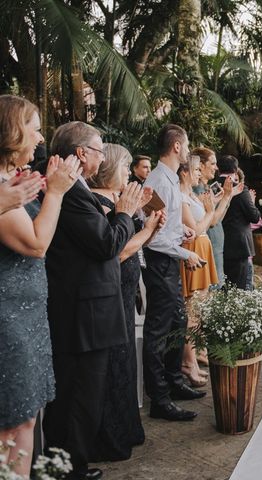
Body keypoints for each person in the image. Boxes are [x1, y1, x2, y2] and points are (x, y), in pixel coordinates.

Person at [43, 121, 143, 480]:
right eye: (99, 149)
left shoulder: (76, 189)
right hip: (82, 312)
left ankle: (69, 465)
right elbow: (106, 244)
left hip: (89, 308)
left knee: (82, 394)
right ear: (82, 153)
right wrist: (125, 214)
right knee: (78, 397)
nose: (103, 156)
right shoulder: (70, 193)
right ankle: (67, 470)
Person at [0, 95, 80, 476]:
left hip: (27, 316)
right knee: (14, 423)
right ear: (14, 131)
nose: (39, 136)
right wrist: (57, 193)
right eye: (33, 127)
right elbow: (36, 244)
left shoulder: (8, 182)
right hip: (8, 319)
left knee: (27, 418)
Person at [87, 144, 165, 461]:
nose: (128, 173)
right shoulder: (101, 205)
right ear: (110, 169)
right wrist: (144, 229)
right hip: (112, 290)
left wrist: (149, 230)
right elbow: (117, 253)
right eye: (125, 166)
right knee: (115, 364)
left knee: (125, 363)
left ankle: (127, 428)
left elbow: (133, 242)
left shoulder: (117, 203)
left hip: (126, 289)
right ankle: (111, 437)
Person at [141, 124, 207, 422]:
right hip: (161, 264)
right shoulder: (160, 181)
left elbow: (165, 227)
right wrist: (187, 252)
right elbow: (154, 238)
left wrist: (184, 228)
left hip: (169, 261)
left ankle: (175, 381)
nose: (188, 148)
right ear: (177, 146)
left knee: (178, 322)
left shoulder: (166, 179)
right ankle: (160, 398)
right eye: (187, 143)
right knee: (159, 332)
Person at [178, 155, 233, 386]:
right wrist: (210, 211)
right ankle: (187, 362)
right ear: (184, 173)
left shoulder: (191, 195)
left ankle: (198, 352)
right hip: (192, 250)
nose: (199, 174)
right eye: (196, 170)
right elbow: (198, 227)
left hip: (202, 249)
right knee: (192, 310)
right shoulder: (181, 197)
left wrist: (224, 198)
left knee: (201, 308)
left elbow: (210, 220)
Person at [216, 155, 260, 289]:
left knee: (224, 289)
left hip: (219, 244)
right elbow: (255, 217)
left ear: (218, 170)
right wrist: (252, 202)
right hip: (239, 247)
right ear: (235, 170)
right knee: (240, 290)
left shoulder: (213, 187)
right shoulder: (241, 189)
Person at [192, 147, 226, 289]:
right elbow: (211, 221)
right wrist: (227, 198)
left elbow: (218, 219)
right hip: (208, 248)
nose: (216, 168)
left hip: (216, 248)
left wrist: (226, 199)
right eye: (212, 163)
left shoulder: (207, 188)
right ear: (201, 165)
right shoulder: (198, 190)